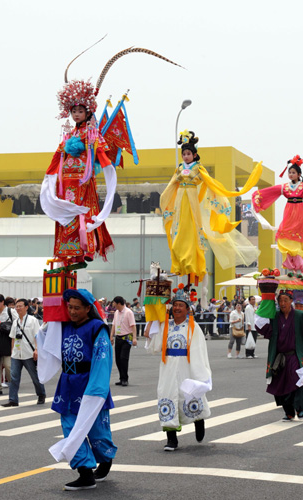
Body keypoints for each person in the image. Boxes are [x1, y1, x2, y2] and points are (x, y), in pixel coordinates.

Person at [160, 130, 261, 284]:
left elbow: (209, 183)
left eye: (188, 153)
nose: (186, 156)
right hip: (181, 200)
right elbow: (171, 185)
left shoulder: (199, 168)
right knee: (179, 232)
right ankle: (179, 263)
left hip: (192, 200)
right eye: (184, 154)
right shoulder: (179, 168)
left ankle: (192, 265)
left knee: (192, 231)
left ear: (194, 155)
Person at [46, 289, 117, 490]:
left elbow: (102, 360)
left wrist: (96, 390)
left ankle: (105, 458)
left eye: (77, 308)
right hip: (68, 384)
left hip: (90, 384)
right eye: (70, 307)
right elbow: (47, 339)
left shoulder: (97, 328)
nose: (73, 312)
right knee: (70, 428)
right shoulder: (64, 326)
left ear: (88, 308)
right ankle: (85, 472)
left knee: (97, 432)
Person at [40, 81, 116, 263]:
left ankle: (86, 248)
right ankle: (69, 253)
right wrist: (49, 176)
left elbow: (100, 152)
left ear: (87, 112)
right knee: (66, 212)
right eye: (74, 112)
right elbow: (58, 155)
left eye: (80, 111)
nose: (76, 115)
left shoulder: (91, 133)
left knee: (83, 212)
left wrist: (108, 168)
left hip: (83, 179)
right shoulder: (69, 134)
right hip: (66, 181)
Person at [145, 286, 212, 451]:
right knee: (166, 397)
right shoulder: (165, 326)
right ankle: (171, 438)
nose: (177, 308)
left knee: (189, 396)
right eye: (175, 305)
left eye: (181, 305)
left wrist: (199, 375)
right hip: (168, 368)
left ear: (187, 308)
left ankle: (198, 421)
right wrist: (153, 320)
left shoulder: (193, 327)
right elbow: (154, 346)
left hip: (187, 367)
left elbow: (199, 352)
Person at [252, 155, 303, 274]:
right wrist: (258, 195)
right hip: (289, 212)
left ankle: (298, 265)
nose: (291, 174)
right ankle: (290, 263)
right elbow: (271, 191)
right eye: (289, 172)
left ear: (298, 174)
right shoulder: (285, 187)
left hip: (299, 212)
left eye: (293, 172)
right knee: (285, 237)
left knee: (297, 239)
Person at [255, 289, 303, 421]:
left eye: (286, 300)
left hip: (294, 356)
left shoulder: (299, 316)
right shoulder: (275, 316)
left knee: (295, 382)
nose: (283, 303)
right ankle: (289, 412)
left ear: (291, 301)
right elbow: (263, 328)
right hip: (279, 357)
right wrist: (266, 302)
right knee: (280, 385)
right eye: (280, 300)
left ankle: (300, 408)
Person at [2, 299, 45, 407]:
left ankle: (41, 394)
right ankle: (13, 400)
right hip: (17, 354)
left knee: (34, 376)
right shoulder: (15, 322)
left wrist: (36, 349)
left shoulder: (32, 320)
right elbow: (13, 338)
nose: (17, 308)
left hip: (29, 353)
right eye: (16, 306)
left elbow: (37, 336)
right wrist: (12, 352)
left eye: (20, 306)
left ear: (26, 307)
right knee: (14, 377)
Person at [110, 296, 137, 387]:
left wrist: (134, 338)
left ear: (118, 303)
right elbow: (114, 325)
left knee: (123, 358)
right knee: (118, 359)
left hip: (127, 338)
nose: (113, 305)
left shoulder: (129, 312)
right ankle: (121, 378)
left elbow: (133, 325)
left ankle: (125, 379)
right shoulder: (116, 313)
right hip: (118, 337)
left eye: (114, 303)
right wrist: (111, 336)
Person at [0, 294, 18, 395]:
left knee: (8, 366)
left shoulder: (10, 311)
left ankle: (13, 385)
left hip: (7, 342)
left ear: (2, 302)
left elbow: (17, 324)